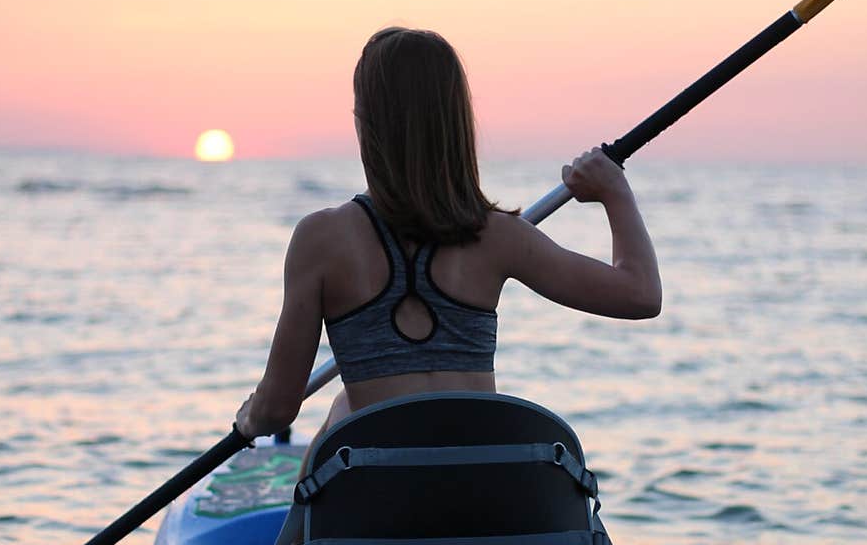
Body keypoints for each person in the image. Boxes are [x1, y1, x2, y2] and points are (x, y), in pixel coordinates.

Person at [234, 26, 661, 445]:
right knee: (341, 411)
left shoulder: (321, 239)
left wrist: (249, 419)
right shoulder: (498, 237)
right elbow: (640, 294)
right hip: (479, 487)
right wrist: (614, 191)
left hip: (386, 492)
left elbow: (277, 410)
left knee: (338, 427)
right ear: (455, 119)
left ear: (366, 122)